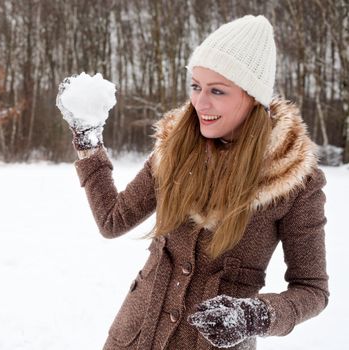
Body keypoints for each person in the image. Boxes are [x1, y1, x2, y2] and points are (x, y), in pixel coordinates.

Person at [58, 15, 328, 350]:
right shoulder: (176, 149)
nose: (200, 102)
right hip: (135, 337)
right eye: (196, 86)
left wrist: (254, 315)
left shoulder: (294, 182)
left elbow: (312, 289)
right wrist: (88, 140)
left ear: (252, 97)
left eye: (217, 91)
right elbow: (112, 221)